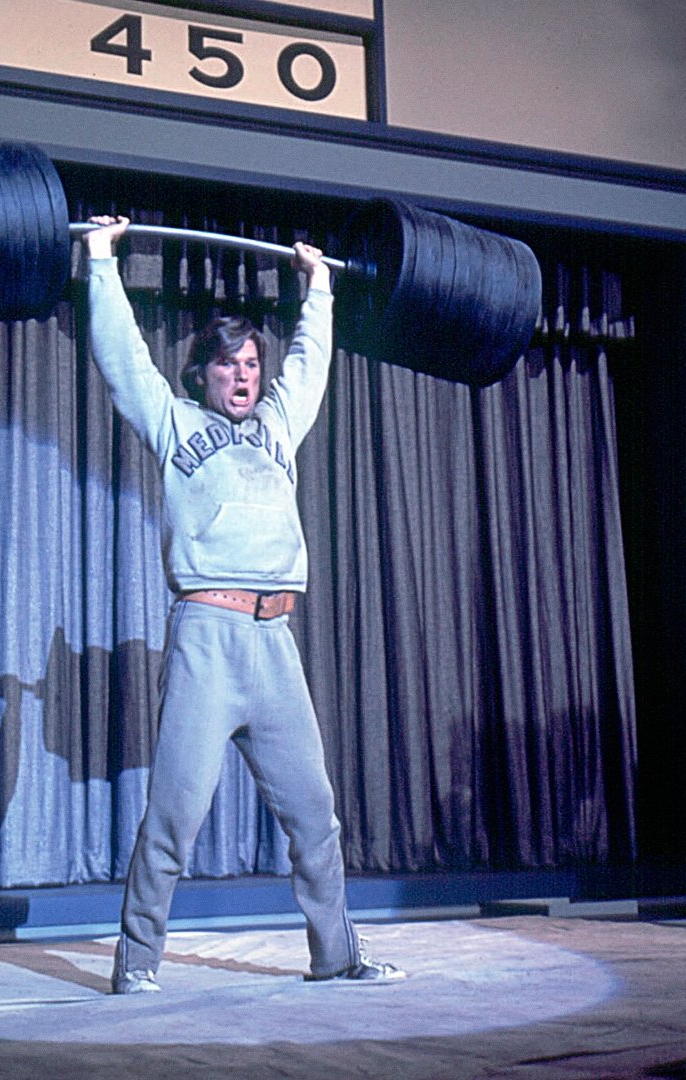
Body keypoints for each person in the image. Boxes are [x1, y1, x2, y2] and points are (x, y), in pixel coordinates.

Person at [82, 215, 402, 991]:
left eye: (253, 363)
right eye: (229, 364)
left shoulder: (278, 428)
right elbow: (123, 360)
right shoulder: (175, 424)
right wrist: (100, 261)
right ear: (202, 374)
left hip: (274, 644)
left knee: (315, 814)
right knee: (174, 815)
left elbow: (311, 365)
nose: (244, 375)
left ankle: (337, 956)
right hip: (208, 637)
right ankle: (137, 963)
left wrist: (317, 288)